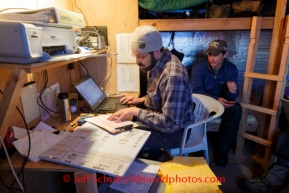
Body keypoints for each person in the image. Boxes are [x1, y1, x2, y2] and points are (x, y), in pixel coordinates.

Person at [108, 25, 195, 151]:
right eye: (135, 56)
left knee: (122, 137)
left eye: (141, 56)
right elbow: (159, 95)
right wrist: (140, 100)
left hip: (175, 134)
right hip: (163, 122)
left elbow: (170, 124)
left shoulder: (172, 76)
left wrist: (135, 112)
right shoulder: (157, 63)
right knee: (121, 126)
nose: (137, 61)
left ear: (156, 52)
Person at [191, 39, 242, 167]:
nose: (211, 59)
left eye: (215, 55)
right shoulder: (199, 67)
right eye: (210, 55)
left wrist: (232, 91)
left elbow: (231, 96)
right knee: (190, 105)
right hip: (203, 101)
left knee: (236, 109)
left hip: (221, 103)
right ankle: (196, 147)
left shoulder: (231, 69)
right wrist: (215, 99)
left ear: (225, 54)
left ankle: (222, 150)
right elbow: (195, 90)